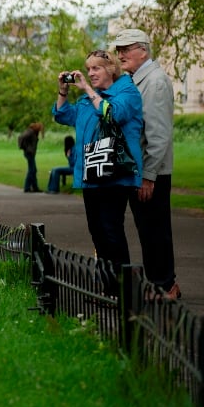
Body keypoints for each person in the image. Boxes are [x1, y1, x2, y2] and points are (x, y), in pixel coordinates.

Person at [52, 50, 144, 293]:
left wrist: (88, 91)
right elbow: (63, 115)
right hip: (91, 174)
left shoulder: (127, 92)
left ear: (111, 69)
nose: (90, 73)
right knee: (98, 233)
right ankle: (108, 287)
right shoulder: (85, 100)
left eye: (96, 68)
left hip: (115, 173)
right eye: (88, 69)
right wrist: (63, 91)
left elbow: (112, 114)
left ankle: (123, 291)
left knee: (111, 230)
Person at [113, 28, 180, 301]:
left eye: (125, 49)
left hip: (151, 172)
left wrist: (148, 175)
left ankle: (166, 286)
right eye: (118, 50)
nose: (120, 55)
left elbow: (158, 134)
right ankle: (158, 284)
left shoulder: (154, 82)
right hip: (141, 171)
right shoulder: (137, 80)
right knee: (149, 231)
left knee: (156, 230)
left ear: (143, 49)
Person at [18, 122, 43, 192]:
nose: (41, 130)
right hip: (29, 153)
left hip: (31, 153)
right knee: (32, 170)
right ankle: (27, 187)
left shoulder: (33, 132)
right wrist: (25, 147)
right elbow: (21, 137)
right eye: (40, 128)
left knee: (34, 170)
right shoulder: (30, 132)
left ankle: (35, 187)